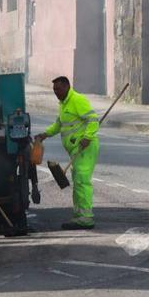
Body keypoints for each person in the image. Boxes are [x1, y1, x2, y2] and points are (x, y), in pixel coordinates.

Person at [34, 76, 99, 230]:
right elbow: (59, 124)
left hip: (85, 148)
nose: (56, 92)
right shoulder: (63, 104)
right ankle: (79, 215)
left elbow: (93, 119)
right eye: (54, 90)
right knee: (78, 182)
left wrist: (87, 137)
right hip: (76, 150)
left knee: (82, 182)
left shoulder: (77, 100)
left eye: (58, 89)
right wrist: (45, 134)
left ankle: (86, 218)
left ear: (67, 87)